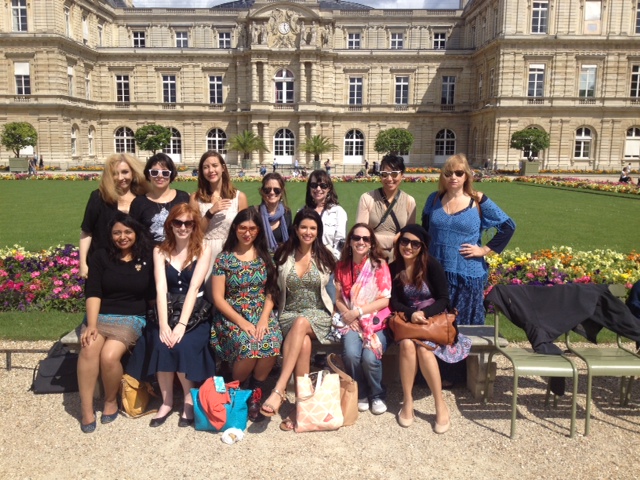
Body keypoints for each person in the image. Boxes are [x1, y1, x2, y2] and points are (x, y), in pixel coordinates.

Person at [77, 213, 154, 433]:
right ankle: (86, 408)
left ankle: (110, 400)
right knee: (89, 348)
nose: (122, 237)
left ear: (136, 233)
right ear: (110, 235)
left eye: (128, 232)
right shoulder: (100, 256)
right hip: (100, 316)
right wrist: (92, 325)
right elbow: (93, 293)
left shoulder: (146, 258)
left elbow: (152, 295)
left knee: (109, 356)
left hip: (131, 317)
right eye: (117, 233)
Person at [260, 208, 335, 429]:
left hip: (318, 315)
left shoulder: (326, 256)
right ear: (296, 228)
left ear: (318, 231)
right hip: (288, 314)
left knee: (302, 323)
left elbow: (336, 291)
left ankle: (279, 388)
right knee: (302, 342)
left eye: (313, 228)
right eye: (304, 227)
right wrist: (264, 317)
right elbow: (272, 291)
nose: (308, 232)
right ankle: (301, 407)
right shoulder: (283, 254)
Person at [389, 224, 468, 433]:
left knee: (424, 350)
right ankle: (407, 401)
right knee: (407, 345)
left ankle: (440, 404)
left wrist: (424, 313)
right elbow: (394, 301)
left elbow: (443, 299)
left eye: (415, 244)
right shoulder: (394, 267)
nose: (408, 247)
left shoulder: (431, 265)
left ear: (422, 247)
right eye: (405, 241)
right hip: (408, 320)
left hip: (431, 320)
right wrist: (411, 314)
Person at [421, 153, 515, 326]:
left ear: (467, 176)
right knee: (435, 327)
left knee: (465, 326)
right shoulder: (434, 199)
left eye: (459, 173)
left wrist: (484, 250)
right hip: (436, 272)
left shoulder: (477, 200)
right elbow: (425, 231)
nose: (453, 177)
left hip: (467, 275)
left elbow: (508, 226)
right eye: (448, 173)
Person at [211, 207, 282, 422]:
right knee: (249, 346)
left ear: (259, 230)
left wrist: (263, 319)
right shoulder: (224, 259)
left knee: (271, 342)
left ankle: (255, 391)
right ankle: (237, 387)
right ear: (235, 228)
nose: (247, 233)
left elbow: (271, 292)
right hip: (232, 315)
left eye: (252, 228)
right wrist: (242, 322)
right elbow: (218, 298)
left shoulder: (265, 257)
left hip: (261, 313)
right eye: (243, 228)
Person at [147, 204, 215, 428]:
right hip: (167, 308)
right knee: (161, 343)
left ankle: (188, 399)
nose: (183, 227)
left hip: (194, 312)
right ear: (171, 225)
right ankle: (166, 402)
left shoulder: (203, 248)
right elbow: (160, 288)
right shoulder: (160, 251)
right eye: (178, 223)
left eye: (188, 223)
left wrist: (182, 325)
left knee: (183, 344)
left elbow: (194, 288)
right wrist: (164, 325)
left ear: (195, 226)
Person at [334, 223, 392, 415]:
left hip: (375, 320)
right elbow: (337, 298)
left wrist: (357, 312)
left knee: (369, 357)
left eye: (365, 239)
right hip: (351, 320)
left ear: (371, 243)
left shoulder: (379, 266)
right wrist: (347, 314)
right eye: (356, 238)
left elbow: (385, 299)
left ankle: (377, 394)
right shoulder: (341, 267)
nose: (361, 242)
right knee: (351, 354)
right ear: (350, 241)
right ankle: (361, 391)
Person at [79, 153, 147, 278]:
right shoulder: (99, 197)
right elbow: (86, 232)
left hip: (134, 265)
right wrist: (83, 264)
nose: (121, 178)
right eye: (115, 173)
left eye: (125, 172)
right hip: (103, 264)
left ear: (133, 173)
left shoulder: (143, 198)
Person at [189, 150, 248, 274]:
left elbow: (244, 230)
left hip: (231, 251)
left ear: (223, 168)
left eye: (215, 165)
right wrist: (210, 212)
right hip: (205, 252)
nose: (211, 170)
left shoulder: (239, 197)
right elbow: (195, 232)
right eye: (206, 167)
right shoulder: (196, 198)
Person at [355, 154, 416, 261]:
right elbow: (360, 234)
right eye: (384, 174)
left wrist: (376, 238)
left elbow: (409, 237)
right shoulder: (367, 198)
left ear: (402, 175)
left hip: (398, 261)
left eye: (394, 174)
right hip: (372, 260)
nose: (389, 178)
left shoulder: (409, 201)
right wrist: (393, 240)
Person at [129, 153, 190, 245]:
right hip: (149, 252)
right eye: (154, 172)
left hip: (178, 251)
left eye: (165, 173)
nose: (160, 176)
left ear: (171, 175)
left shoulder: (183, 197)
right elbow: (133, 233)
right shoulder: (139, 203)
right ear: (148, 175)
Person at [304, 170, 347, 259]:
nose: (318, 189)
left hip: (329, 261)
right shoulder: (303, 212)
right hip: (306, 261)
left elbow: (340, 242)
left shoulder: (338, 212)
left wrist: (331, 260)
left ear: (329, 188)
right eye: (314, 185)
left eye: (323, 186)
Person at [258, 173, 291, 252]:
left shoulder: (287, 213)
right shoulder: (254, 213)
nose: (272, 192)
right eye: (267, 190)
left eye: (276, 190)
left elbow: (290, 239)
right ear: (262, 191)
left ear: (281, 192)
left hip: (280, 257)